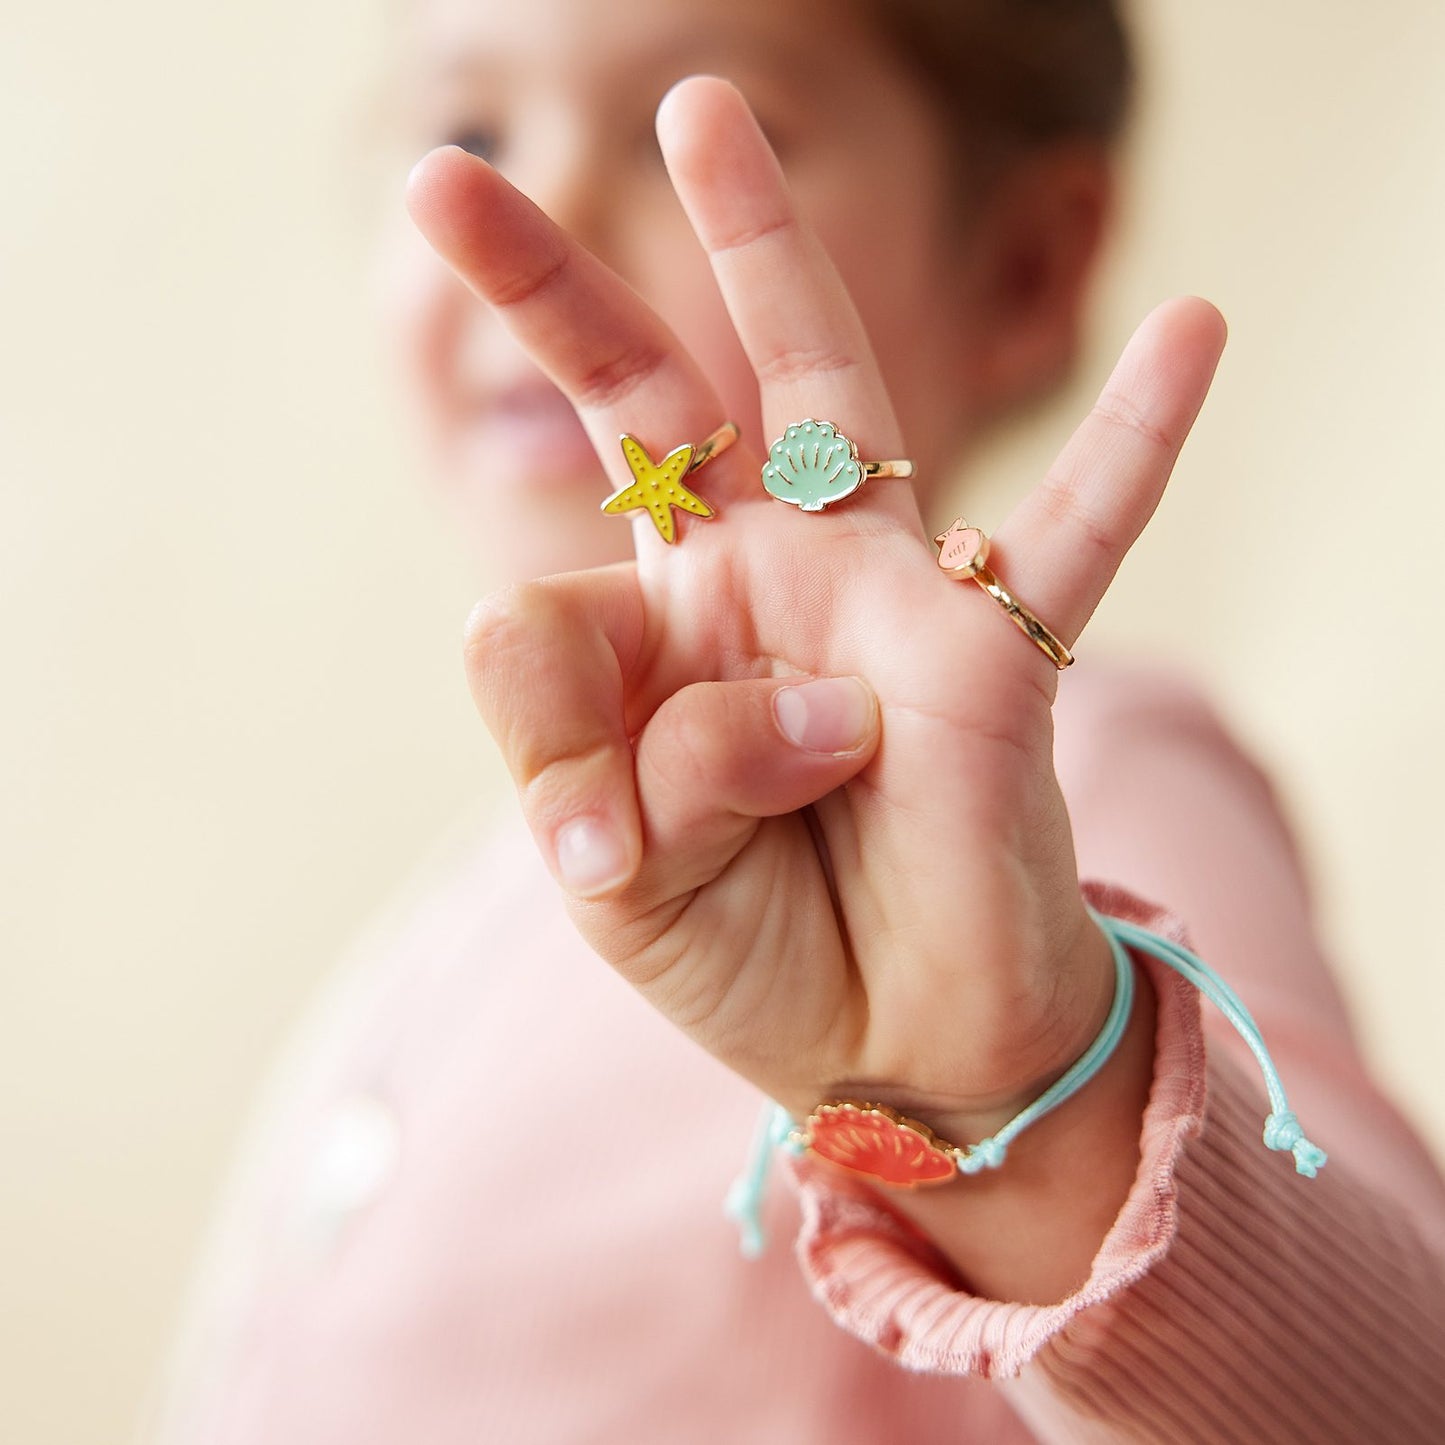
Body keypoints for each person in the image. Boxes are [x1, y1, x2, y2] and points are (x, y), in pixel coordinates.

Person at [151, 0, 1445, 1440]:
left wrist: (1020, 1099)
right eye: (472, 128)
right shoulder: (531, 860)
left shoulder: (1081, 794)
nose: (544, 206)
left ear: (1022, 268)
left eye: (697, 134)